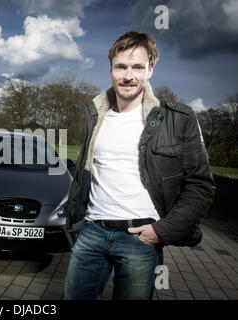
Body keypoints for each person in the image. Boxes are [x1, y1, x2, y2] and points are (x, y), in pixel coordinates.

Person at [64, 31, 215, 300]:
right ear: (110, 69)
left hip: (141, 239)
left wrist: (161, 232)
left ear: (150, 70)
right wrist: (78, 222)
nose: (128, 76)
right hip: (92, 234)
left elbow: (200, 186)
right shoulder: (96, 115)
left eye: (137, 67)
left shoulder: (178, 118)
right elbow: (85, 174)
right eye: (121, 66)